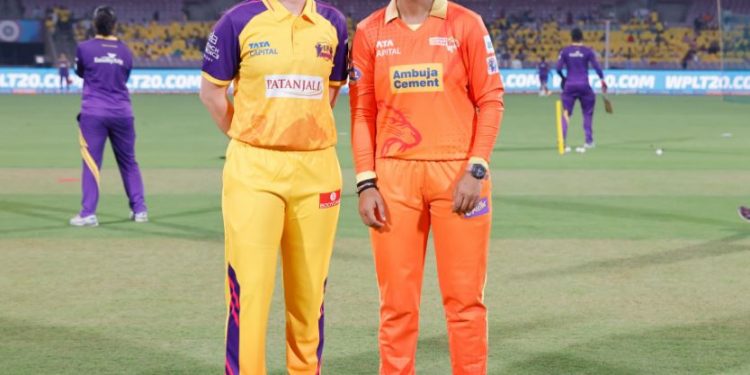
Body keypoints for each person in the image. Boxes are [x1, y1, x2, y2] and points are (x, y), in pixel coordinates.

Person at [350, 0, 504, 373]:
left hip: (459, 176)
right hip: (394, 180)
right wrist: (365, 181)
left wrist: (476, 169)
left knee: (465, 301)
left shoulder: (466, 24)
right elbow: (361, 113)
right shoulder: (369, 31)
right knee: (397, 305)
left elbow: (491, 100)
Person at [199, 0, 347, 373]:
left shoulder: (333, 23)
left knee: (310, 295)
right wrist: (252, 136)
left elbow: (329, 93)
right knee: (250, 292)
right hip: (255, 169)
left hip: (318, 169)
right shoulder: (238, 20)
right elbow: (212, 95)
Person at [69, 6, 147, 227]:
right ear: (114, 25)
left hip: (94, 113)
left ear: (94, 24)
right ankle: (140, 210)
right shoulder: (124, 51)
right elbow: (125, 76)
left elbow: (81, 72)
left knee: (92, 163)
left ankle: (88, 213)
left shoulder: (84, 48)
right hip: (123, 113)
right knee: (129, 162)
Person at [556, 28, 607, 151]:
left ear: (571, 37)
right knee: (587, 113)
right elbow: (596, 67)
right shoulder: (587, 51)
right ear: (581, 37)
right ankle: (588, 141)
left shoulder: (565, 51)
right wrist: (602, 80)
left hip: (570, 85)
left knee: (566, 114)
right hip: (584, 85)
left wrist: (564, 78)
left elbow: (558, 68)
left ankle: (562, 142)